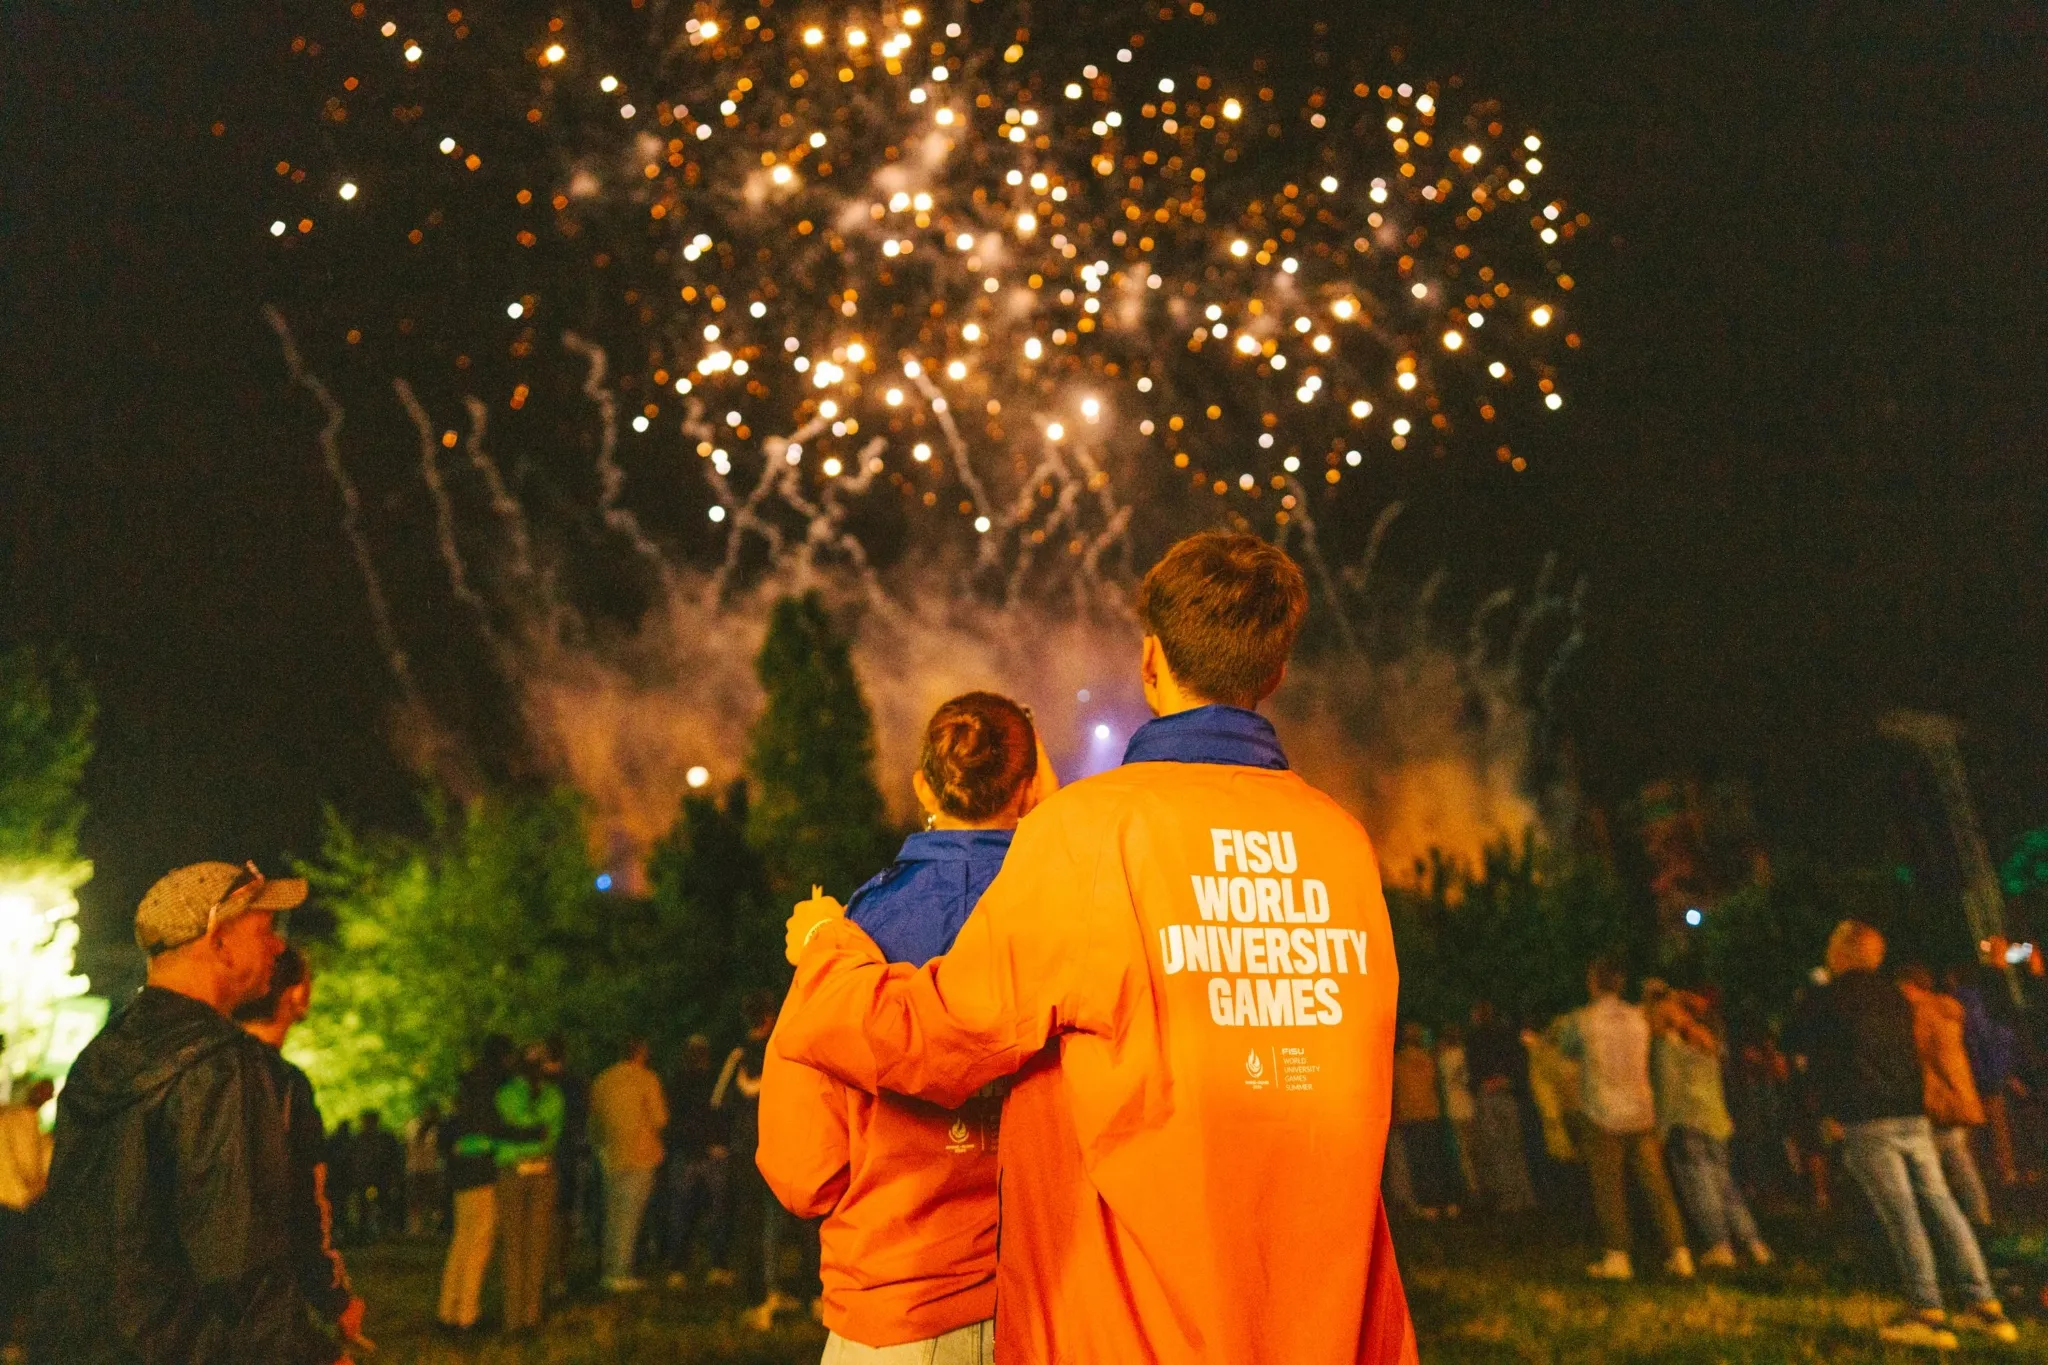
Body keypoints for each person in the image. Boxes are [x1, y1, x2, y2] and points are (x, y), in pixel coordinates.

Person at [779, 532, 1415, 1363]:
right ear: (1276, 670)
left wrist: (827, 950)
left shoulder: (1087, 831)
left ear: (1151, 660)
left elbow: (935, 1037)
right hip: (1319, 1322)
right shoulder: (1341, 842)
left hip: (1136, 1325)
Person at [759, 691, 1048, 1363]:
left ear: (923, 786)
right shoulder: (1072, 910)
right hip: (1048, 1297)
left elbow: (803, 1166)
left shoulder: (853, 936)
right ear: (1031, 786)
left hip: (899, 1296)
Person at [30, 860, 348, 1365]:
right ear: (219, 942)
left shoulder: (98, 1057)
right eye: (265, 930)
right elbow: (239, 1256)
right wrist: (308, 1354)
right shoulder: (221, 1062)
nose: (278, 947)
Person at [1789, 921, 2016, 1347]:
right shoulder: (1896, 996)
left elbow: (1804, 1050)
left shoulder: (1827, 998)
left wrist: (1827, 1109)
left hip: (1866, 1117)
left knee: (1901, 1212)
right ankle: (1984, 1304)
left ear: (1842, 952)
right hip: (1912, 1114)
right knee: (1941, 1203)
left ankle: (1926, 1311)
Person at [233, 945, 368, 1346]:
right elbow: (304, 1201)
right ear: (296, 994)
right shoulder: (285, 1085)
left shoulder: (202, 1069)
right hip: (262, 1293)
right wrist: (333, 1297)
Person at [1551, 958, 1693, 1281]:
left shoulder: (1581, 1020)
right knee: (1657, 1187)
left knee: (1609, 1188)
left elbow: (1566, 1052)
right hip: (1641, 1113)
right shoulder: (1639, 1017)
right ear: (1620, 983)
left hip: (1601, 1113)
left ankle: (1618, 1256)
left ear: (1593, 983)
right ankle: (1679, 1252)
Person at [1645, 983, 1770, 1269]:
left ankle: (1719, 1245)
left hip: (1687, 1122)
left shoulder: (1667, 1046)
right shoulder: (1704, 1040)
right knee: (1725, 1186)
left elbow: (1668, 1092)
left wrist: (1661, 1132)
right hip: (1716, 1121)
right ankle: (1754, 1243)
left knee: (1700, 1187)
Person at [436, 1034, 541, 1335]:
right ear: (504, 1056)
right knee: (480, 1242)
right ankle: (467, 1316)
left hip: (461, 1173)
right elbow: (495, 1128)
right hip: (482, 1171)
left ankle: (448, 1309)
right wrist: (532, 1134)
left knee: (462, 1240)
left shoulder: (469, 1083)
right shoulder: (493, 1086)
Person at [726, 991, 816, 1329]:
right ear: (770, 1017)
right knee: (805, 1223)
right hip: (790, 1149)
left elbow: (719, 1101)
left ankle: (762, 1298)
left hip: (751, 1155)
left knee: (758, 1226)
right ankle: (815, 1295)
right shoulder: (788, 1050)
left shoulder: (739, 1056)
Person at [1897, 965, 1993, 1228]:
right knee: (1958, 1159)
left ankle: (1963, 1221)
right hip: (1957, 1094)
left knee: (1941, 1165)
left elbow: (1916, 1053)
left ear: (1911, 985)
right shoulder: (1947, 1010)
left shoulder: (1922, 1013)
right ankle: (1978, 1217)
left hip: (1939, 1097)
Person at [496, 1044, 566, 1332]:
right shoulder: (553, 1096)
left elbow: (509, 1125)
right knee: (537, 1244)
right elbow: (551, 1132)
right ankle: (530, 1315)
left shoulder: (506, 1094)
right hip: (542, 1169)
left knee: (514, 1246)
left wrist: (522, 1131)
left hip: (512, 1169)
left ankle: (513, 1318)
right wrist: (537, 1132)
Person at [590, 1038, 669, 1292]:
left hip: (611, 1155)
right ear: (641, 1053)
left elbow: (594, 1121)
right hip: (641, 1155)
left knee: (613, 1214)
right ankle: (620, 1271)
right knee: (630, 1216)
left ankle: (609, 1267)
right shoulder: (647, 1079)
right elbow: (660, 1119)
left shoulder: (603, 1080)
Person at [661, 1035, 735, 1287]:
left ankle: (682, 1266)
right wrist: (716, 1143)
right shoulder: (710, 1081)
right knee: (709, 1212)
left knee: (685, 1212)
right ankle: (710, 1264)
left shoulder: (679, 1081)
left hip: (690, 1153)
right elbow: (718, 1114)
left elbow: (676, 1119)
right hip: (702, 1154)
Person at [1465, 1001, 1538, 1213]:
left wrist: (1484, 1083)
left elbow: (1474, 1069)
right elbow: (1518, 1063)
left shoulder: (1475, 1039)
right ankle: (1526, 1195)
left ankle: (1510, 1197)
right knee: (1515, 1146)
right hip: (1508, 1092)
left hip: (1489, 1094)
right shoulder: (1507, 1036)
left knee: (1498, 1148)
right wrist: (1508, 1080)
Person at [0, 1077, 54, 1350]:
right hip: (13, 1205)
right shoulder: (23, 1118)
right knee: (11, 1272)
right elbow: (29, 1168)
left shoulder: (13, 1117)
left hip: (9, 1203)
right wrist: (39, 1187)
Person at [1391, 1023, 1455, 1218]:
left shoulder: (1398, 1061)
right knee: (1437, 1158)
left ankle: (1429, 1204)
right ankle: (1447, 1201)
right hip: (1430, 1114)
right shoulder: (1428, 1057)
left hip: (1412, 1117)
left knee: (1420, 1162)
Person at [353, 1110, 405, 1243]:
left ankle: (380, 1232)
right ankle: (365, 1233)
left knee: (382, 1204)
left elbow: (394, 1158)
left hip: (379, 1177)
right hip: (367, 1177)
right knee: (366, 1206)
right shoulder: (360, 1138)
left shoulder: (383, 1138)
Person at [406, 1102, 447, 1236]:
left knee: (433, 1201)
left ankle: (430, 1229)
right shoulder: (415, 1126)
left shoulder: (438, 1129)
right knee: (416, 1200)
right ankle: (416, 1229)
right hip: (417, 1169)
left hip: (431, 1170)